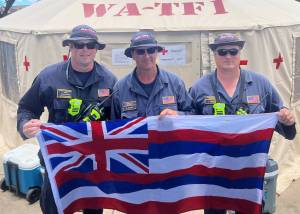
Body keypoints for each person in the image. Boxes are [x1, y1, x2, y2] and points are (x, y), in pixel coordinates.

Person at [189, 33, 296, 214]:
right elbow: (188, 126)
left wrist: (288, 120)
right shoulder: (200, 87)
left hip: (250, 169)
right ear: (214, 54)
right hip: (214, 170)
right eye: (222, 52)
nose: (228, 56)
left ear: (240, 53)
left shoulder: (261, 84)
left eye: (233, 51)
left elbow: (286, 128)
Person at [17, 24, 117, 214]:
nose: (85, 50)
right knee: (53, 209)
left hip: (92, 164)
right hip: (58, 163)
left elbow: (117, 122)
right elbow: (27, 108)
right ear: (69, 47)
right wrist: (25, 125)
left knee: (93, 211)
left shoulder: (110, 81)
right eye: (79, 44)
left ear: (96, 49)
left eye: (90, 45)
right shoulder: (49, 77)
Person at [110, 31, 193, 120]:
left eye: (150, 50)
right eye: (140, 51)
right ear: (133, 55)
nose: (146, 56)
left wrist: (177, 114)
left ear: (156, 52)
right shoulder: (120, 88)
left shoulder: (175, 84)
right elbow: (114, 127)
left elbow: (194, 115)